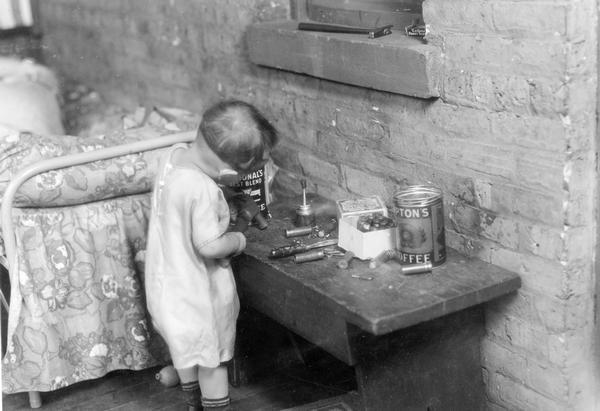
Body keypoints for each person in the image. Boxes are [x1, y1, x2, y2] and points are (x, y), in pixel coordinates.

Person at [144, 100, 278, 410]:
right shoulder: (202, 190)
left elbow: (184, 200)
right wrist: (238, 239)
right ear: (229, 172)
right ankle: (214, 403)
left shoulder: (174, 156)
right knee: (212, 360)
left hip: (166, 287)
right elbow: (210, 246)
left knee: (189, 348)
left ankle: (190, 393)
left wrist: (228, 195)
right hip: (196, 296)